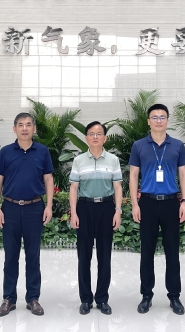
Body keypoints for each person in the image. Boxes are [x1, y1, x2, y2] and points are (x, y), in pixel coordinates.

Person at [129, 103, 185, 315]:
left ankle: (174, 296)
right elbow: (133, 175)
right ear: (148, 121)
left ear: (167, 120)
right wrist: (135, 204)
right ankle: (146, 295)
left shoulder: (177, 145)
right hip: (147, 202)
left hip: (171, 203)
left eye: (162, 117)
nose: (158, 120)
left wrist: (184, 202)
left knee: (172, 252)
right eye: (154, 117)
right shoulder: (139, 145)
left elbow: (183, 174)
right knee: (147, 252)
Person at [0, 112, 54, 317]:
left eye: (28, 124)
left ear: (34, 128)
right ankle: (8, 299)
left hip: (34, 208)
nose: (25, 128)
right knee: (10, 256)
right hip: (10, 208)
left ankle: (33, 299)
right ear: (14, 129)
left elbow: (48, 179)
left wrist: (49, 206)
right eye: (21, 125)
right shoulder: (6, 152)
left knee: (33, 256)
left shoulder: (42, 151)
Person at [69, 121, 123, 316]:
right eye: (91, 134)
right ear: (86, 138)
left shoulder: (113, 160)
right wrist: (73, 212)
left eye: (99, 133)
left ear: (105, 138)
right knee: (84, 256)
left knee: (104, 256)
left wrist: (118, 211)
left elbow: (117, 187)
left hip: (106, 208)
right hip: (84, 207)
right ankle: (85, 299)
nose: (95, 137)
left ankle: (102, 299)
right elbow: (73, 187)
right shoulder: (79, 160)